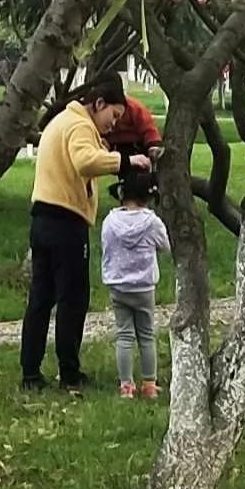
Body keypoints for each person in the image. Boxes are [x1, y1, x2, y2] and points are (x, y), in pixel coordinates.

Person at [20, 76, 142, 393]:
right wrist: (126, 162)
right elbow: (85, 161)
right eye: (113, 116)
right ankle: (69, 373)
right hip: (66, 222)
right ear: (98, 104)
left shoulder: (62, 121)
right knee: (72, 299)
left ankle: (30, 373)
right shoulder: (80, 125)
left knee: (40, 299)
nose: (113, 125)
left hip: (42, 218)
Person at [101, 165, 172, 400]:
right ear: (149, 197)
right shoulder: (152, 223)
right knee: (146, 334)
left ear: (122, 194)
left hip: (118, 285)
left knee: (124, 334)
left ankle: (126, 386)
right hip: (143, 286)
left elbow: (106, 248)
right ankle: (149, 384)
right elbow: (166, 246)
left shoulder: (110, 221)